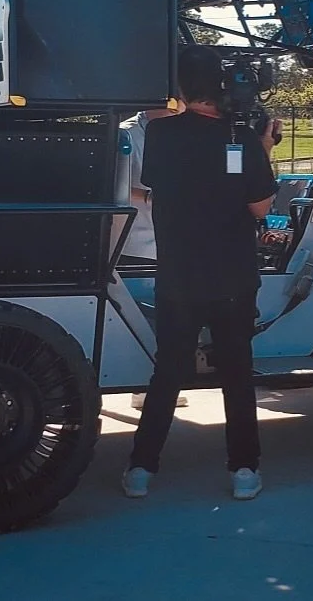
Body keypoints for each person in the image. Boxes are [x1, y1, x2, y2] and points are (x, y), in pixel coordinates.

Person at [122, 44, 281, 501]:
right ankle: (244, 470)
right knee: (236, 374)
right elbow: (261, 206)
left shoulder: (161, 135)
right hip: (232, 278)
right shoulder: (242, 139)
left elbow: (157, 190)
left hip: (177, 276)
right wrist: (262, 150)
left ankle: (141, 468)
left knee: (168, 373)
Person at [119, 101, 189, 410]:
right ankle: (144, 387)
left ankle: (153, 385)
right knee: (146, 315)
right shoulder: (126, 135)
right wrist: (153, 195)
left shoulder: (182, 132)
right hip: (138, 241)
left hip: (171, 240)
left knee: (163, 315)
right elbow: (114, 186)